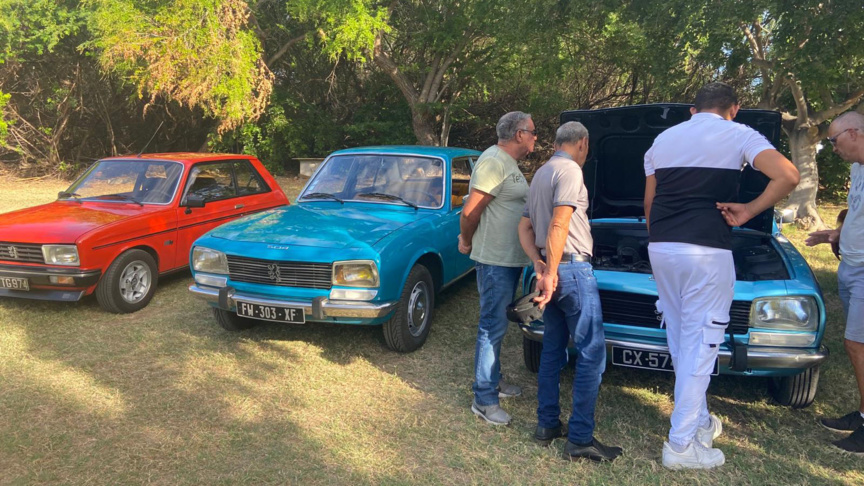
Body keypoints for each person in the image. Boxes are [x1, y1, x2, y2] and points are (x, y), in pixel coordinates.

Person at [644, 82, 799, 469]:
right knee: (702, 344)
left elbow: (650, 204)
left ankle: (699, 422)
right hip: (707, 252)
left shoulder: (661, 140)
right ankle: (680, 445)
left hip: (661, 248)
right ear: (734, 108)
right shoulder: (739, 133)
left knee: (681, 338)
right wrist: (748, 210)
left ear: (692, 110)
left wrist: (662, 243)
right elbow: (788, 175)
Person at [518, 121, 624, 462]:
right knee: (592, 354)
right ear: (583, 143)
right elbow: (559, 222)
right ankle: (579, 438)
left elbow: (525, 226)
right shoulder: (571, 171)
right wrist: (550, 272)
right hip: (572, 271)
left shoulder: (540, 174)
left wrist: (538, 264)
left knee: (552, 349)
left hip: (551, 268)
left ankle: (547, 425)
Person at [459, 111, 535, 425]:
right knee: (491, 326)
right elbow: (470, 212)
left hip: (509, 259)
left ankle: (494, 380)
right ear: (519, 134)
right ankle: (484, 399)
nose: (535, 138)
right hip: (494, 260)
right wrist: (465, 241)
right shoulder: (492, 161)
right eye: (532, 132)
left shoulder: (508, 163)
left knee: (498, 324)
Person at [806, 111, 864, 454]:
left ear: (854, 133)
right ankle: (862, 413)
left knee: (857, 344)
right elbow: (856, 212)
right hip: (850, 266)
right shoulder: (857, 168)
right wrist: (838, 234)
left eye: (834, 140)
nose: (833, 147)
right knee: (858, 344)